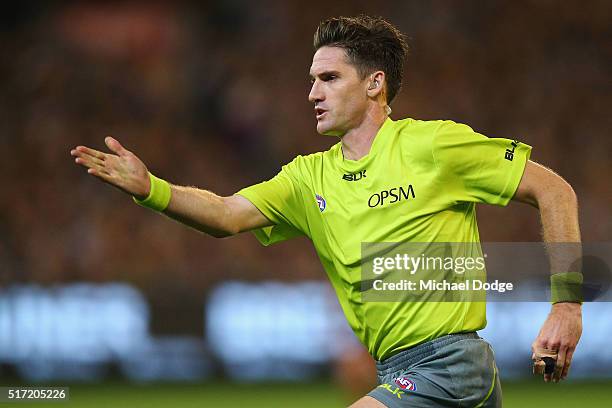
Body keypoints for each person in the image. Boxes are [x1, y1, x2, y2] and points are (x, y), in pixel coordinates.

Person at [70, 15, 582, 408]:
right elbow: (226, 214)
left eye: (329, 78)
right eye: (312, 80)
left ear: (374, 85)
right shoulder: (307, 177)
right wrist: (151, 188)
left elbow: (555, 190)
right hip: (397, 369)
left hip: (451, 365)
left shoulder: (433, 146)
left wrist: (566, 306)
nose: (312, 92)